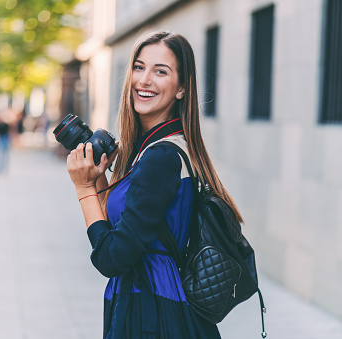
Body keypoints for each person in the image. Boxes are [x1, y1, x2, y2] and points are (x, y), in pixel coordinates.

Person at [66, 31, 244, 338]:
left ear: (182, 87)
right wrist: (99, 179)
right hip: (159, 306)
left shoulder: (160, 157)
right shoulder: (161, 148)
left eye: (160, 71)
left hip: (151, 314)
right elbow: (129, 226)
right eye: (138, 67)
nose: (144, 80)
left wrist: (83, 189)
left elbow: (112, 257)